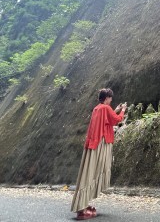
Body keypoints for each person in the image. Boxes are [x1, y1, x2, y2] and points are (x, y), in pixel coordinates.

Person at [71, 88, 127, 220]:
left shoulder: (97, 108)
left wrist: (115, 110)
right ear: (107, 98)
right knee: (98, 170)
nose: (111, 100)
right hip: (101, 143)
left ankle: (82, 205)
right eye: (110, 98)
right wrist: (123, 109)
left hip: (92, 144)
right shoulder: (105, 108)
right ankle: (83, 209)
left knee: (88, 172)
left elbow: (108, 119)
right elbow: (117, 120)